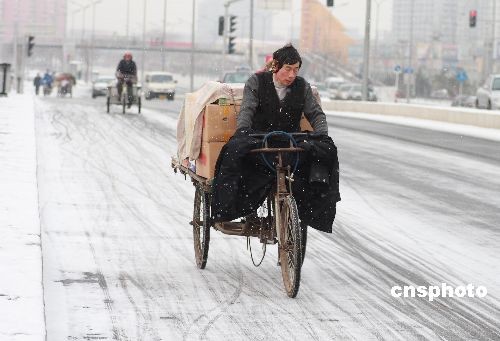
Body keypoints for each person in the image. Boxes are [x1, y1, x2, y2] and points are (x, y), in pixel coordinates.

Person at [211, 43, 340, 235]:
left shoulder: (302, 87)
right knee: (234, 151)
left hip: (291, 141)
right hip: (260, 139)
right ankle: (228, 208)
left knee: (326, 150)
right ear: (276, 66)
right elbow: (247, 110)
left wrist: (322, 134)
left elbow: (316, 114)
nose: (291, 75)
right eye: (288, 69)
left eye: (296, 70)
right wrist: (243, 131)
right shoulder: (256, 82)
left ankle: (314, 209)